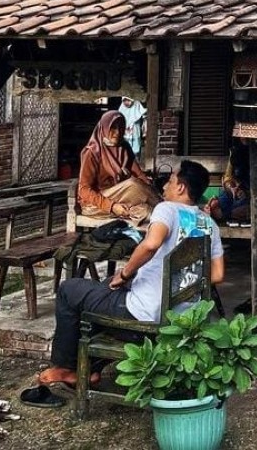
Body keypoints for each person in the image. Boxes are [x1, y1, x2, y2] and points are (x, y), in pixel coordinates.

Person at [38, 160, 224, 388]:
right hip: (179, 318)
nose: (165, 185)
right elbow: (217, 275)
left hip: (143, 315)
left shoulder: (166, 209)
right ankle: (91, 368)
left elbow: (150, 244)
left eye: (170, 180)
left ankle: (66, 368)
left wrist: (125, 274)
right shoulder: (209, 224)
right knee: (104, 288)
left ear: (181, 187)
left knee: (70, 291)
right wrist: (181, 281)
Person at [76, 110, 159, 225]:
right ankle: (168, 208)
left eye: (121, 128)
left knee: (147, 212)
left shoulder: (124, 147)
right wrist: (112, 206)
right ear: (104, 128)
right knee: (133, 185)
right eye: (113, 128)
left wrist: (149, 185)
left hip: (120, 200)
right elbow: (83, 190)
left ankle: (165, 212)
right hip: (95, 204)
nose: (117, 132)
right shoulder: (92, 152)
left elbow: (139, 175)